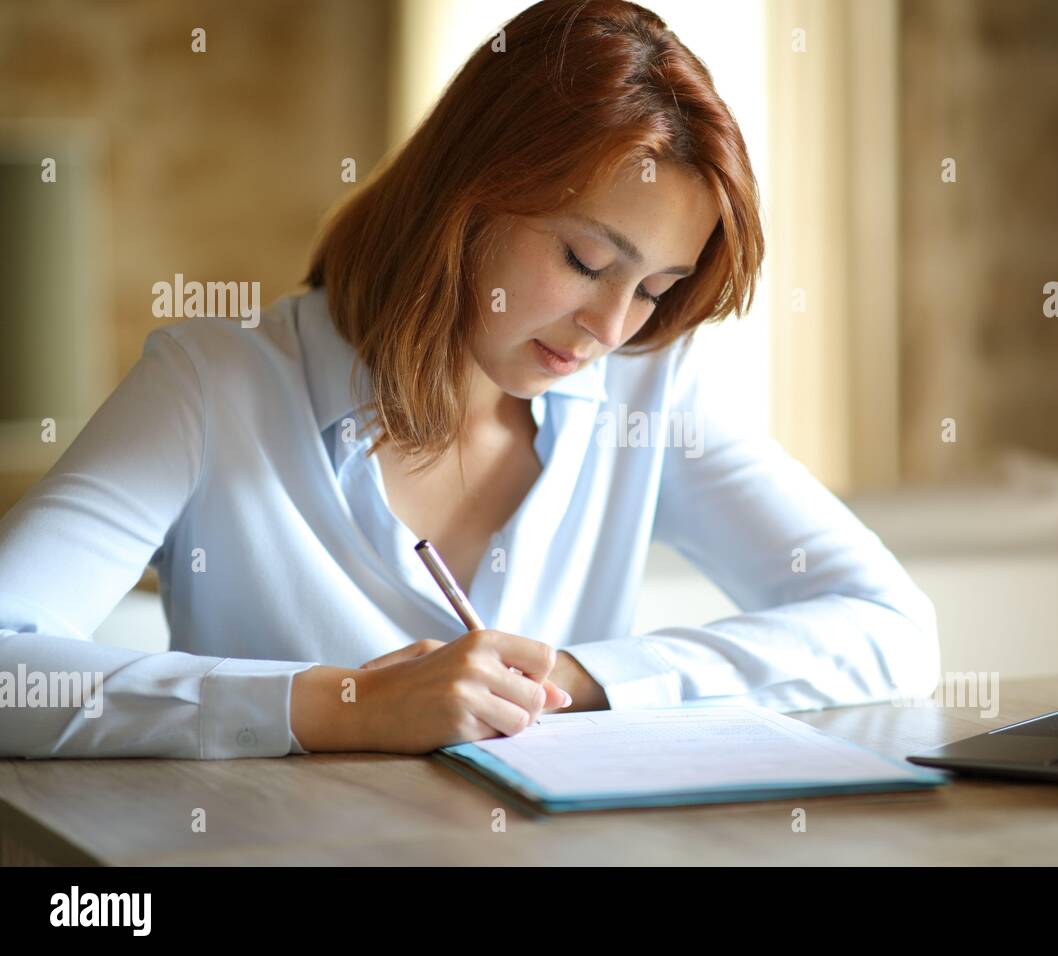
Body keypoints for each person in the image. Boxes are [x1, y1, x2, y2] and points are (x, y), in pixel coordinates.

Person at [0, 0, 938, 760]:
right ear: (468, 196)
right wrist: (338, 705)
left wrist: (574, 679)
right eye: (583, 258)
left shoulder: (648, 394)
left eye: (656, 288)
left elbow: (892, 630)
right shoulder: (211, 386)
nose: (611, 329)